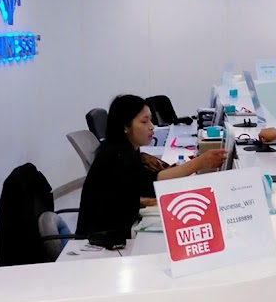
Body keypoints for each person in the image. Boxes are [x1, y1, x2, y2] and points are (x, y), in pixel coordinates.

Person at [76, 95, 227, 242]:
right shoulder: (117, 156)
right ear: (125, 126)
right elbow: (153, 182)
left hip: (114, 229)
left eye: (150, 120)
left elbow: (136, 186)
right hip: (100, 239)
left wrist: (141, 201)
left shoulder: (124, 149)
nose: (151, 126)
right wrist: (200, 162)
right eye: (144, 121)